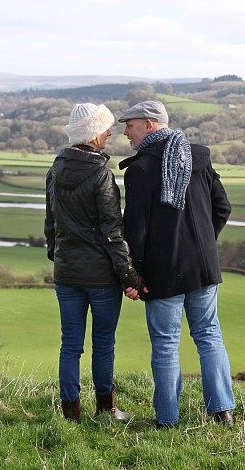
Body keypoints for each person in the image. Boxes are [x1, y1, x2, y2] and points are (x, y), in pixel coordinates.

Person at [118, 100, 235, 427]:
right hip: (203, 268)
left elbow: (136, 231)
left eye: (131, 124)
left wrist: (134, 275)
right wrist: (203, 245)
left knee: (166, 345)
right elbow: (222, 208)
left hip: (162, 273)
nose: (125, 131)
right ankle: (222, 411)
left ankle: (167, 419)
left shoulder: (140, 170)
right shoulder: (198, 157)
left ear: (150, 125)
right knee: (209, 335)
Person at [45, 102, 144, 423]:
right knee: (103, 344)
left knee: (69, 346)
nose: (110, 133)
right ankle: (106, 409)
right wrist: (128, 274)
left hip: (67, 273)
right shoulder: (101, 175)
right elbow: (112, 232)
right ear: (93, 134)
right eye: (105, 128)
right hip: (101, 277)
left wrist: (57, 256)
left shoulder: (55, 170)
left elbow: (51, 224)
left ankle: (70, 416)